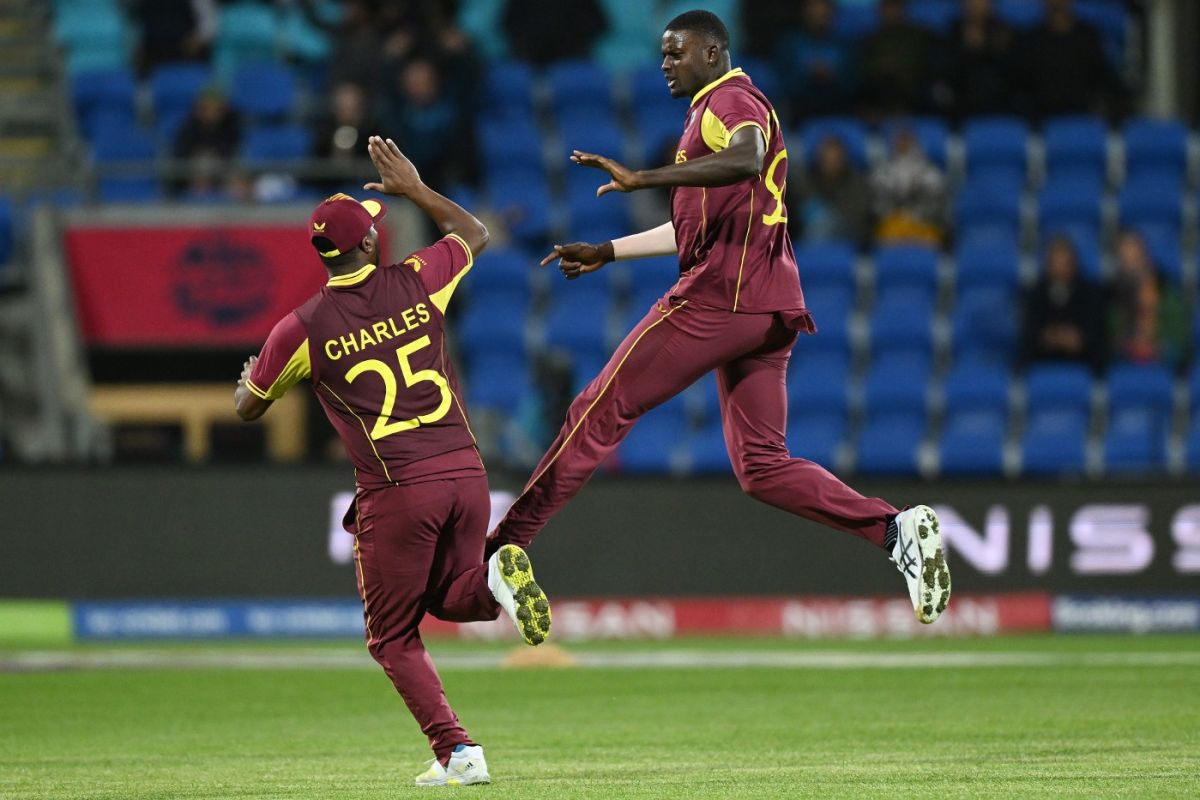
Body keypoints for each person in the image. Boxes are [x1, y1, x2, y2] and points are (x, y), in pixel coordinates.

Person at [487, 11, 951, 626]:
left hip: (719, 299)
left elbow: (747, 157)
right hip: (768, 304)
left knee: (598, 410)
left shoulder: (728, 99)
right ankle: (895, 531)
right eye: (662, 52)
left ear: (713, 52)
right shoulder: (719, 108)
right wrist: (610, 250)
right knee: (762, 467)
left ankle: (505, 545)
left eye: (677, 51)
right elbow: (699, 224)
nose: (665, 62)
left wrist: (644, 176)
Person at [233, 137, 551, 787]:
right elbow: (475, 231)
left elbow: (250, 406)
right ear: (371, 244)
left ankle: (458, 753)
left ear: (324, 254)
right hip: (466, 470)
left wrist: (248, 380)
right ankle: (496, 581)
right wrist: (414, 189)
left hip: (398, 488)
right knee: (451, 594)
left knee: (391, 637)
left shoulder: (302, 327)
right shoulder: (418, 279)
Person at [1014, 0, 1123, 120]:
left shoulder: (1088, 36)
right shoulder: (1030, 39)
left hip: (1084, 113)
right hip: (1041, 119)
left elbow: (1103, 77)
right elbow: (1021, 84)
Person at [1021, 234, 1106, 372]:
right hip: (1043, 361)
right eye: (1054, 262)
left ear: (1073, 263)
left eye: (1064, 262)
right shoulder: (1035, 294)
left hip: (1083, 362)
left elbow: (1097, 332)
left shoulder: (1091, 293)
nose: (1059, 268)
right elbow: (1029, 334)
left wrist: (1079, 339)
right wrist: (1049, 337)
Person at [1108, 230, 1186, 369]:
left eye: (1135, 257)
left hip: (1163, 366)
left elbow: (1180, 344)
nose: (1131, 264)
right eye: (1125, 258)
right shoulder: (1111, 296)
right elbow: (1108, 341)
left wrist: (1157, 349)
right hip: (1124, 365)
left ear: (1145, 256)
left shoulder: (1168, 293)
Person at [771, 0, 858, 123]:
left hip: (840, 113)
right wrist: (807, 76)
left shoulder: (844, 45)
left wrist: (832, 76)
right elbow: (782, 83)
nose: (818, 19)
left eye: (823, 15)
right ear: (805, 13)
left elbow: (854, 82)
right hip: (801, 116)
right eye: (813, 14)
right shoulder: (791, 44)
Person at [791, 133, 872, 246]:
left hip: (848, 233)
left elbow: (859, 216)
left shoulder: (856, 181)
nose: (831, 163)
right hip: (810, 234)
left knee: (822, 225)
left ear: (843, 158)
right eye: (827, 158)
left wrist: (832, 217)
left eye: (836, 159)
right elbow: (799, 210)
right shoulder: (808, 179)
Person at [871, 127, 947, 246]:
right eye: (900, 141)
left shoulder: (931, 172)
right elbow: (877, 204)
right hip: (894, 225)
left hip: (923, 224)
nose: (903, 144)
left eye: (907, 141)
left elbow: (938, 201)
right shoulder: (883, 172)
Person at [939, 0, 1016, 120]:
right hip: (961, 104)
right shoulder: (952, 31)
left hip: (999, 103)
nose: (976, 4)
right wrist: (968, 49)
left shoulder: (1004, 32)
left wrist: (986, 48)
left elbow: (1012, 72)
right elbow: (946, 70)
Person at [859, 0, 935, 117]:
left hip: (914, 94)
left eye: (895, 7)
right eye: (887, 7)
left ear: (903, 9)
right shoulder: (871, 39)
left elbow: (927, 66)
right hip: (879, 94)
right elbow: (864, 70)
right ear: (880, 10)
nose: (891, 12)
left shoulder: (920, 36)